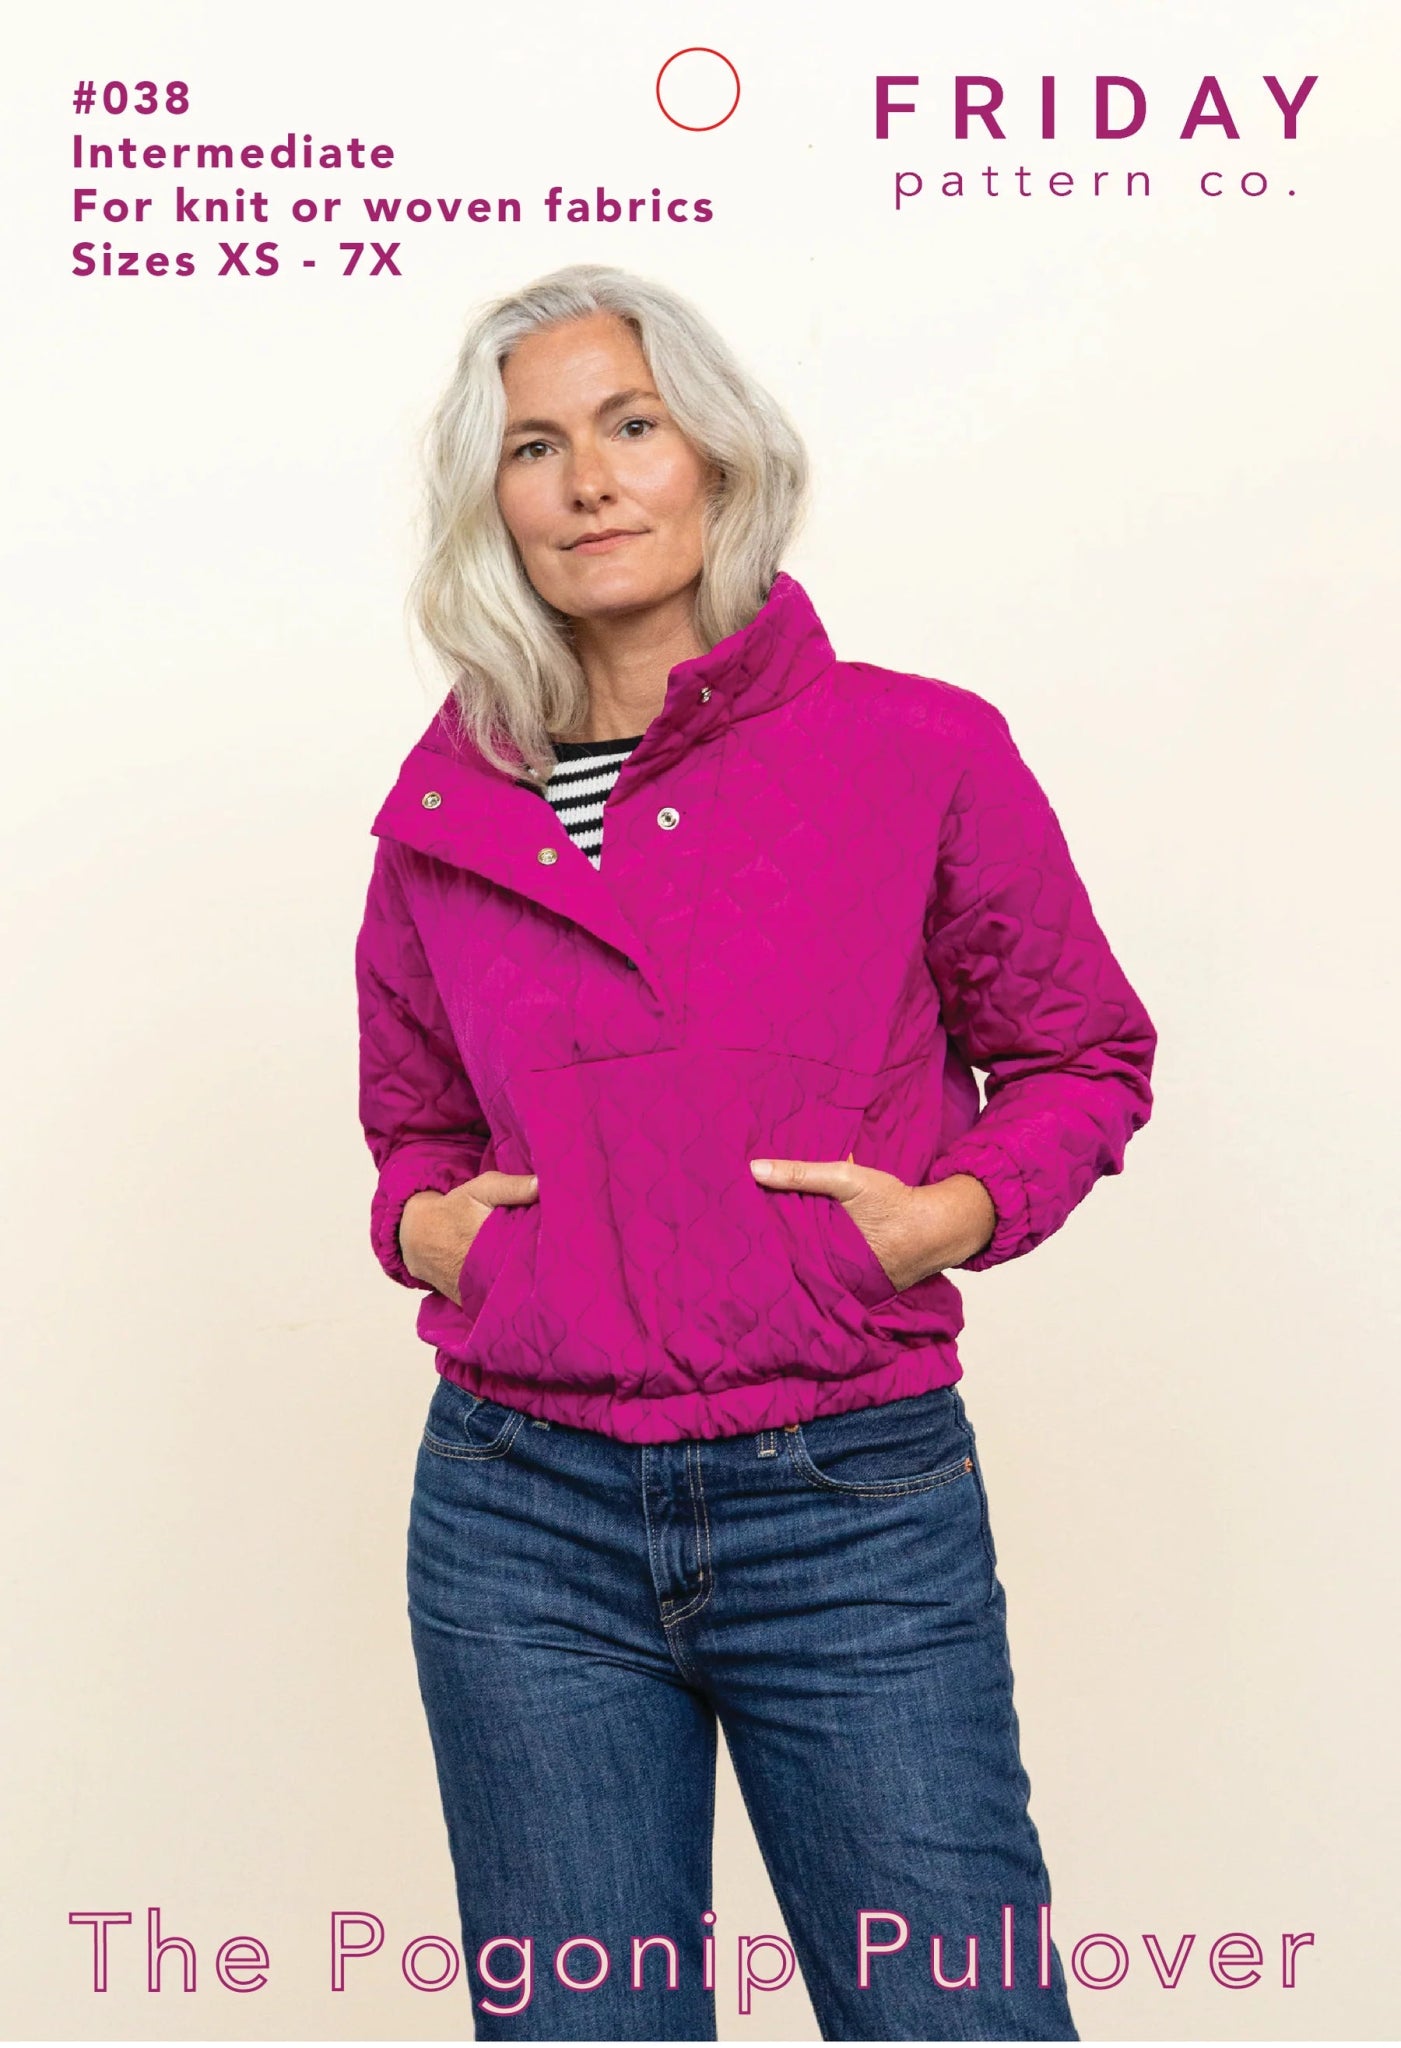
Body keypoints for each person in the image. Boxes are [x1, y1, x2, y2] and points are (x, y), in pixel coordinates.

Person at [354, 261, 1156, 2042]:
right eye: (534, 446)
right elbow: (413, 1122)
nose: (588, 481)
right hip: (516, 1512)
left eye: (630, 426)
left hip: (847, 1497)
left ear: (716, 457)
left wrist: (948, 1213)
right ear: (490, 500)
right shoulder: (445, 806)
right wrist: (423, 1229)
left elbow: (1081, 1052)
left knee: (954, 2019)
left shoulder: (916, 749)